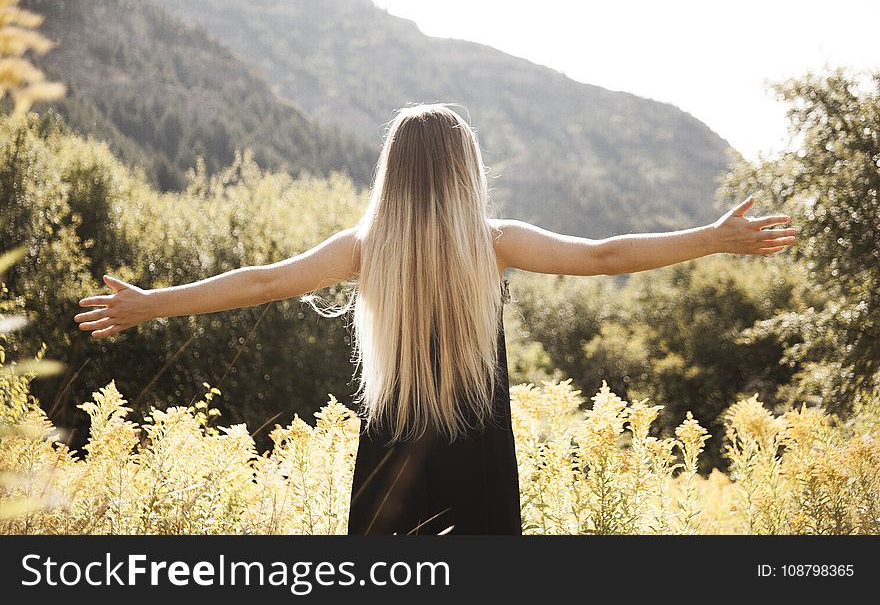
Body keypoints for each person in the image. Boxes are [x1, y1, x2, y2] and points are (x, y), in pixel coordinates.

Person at [74, 103, 798, 535]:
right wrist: (712, 237)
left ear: (393, 170)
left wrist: (148, 304)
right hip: (481, 461)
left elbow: (262, 282)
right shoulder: (493, 243)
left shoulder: (363, 248)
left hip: (387, 465)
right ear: (464, 172)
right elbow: (607, 255)